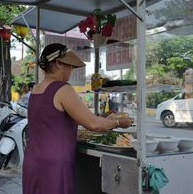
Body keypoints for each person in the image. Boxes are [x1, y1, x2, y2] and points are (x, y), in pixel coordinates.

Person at [22, 43, 133, 194]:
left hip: (33, 159)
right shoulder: (63, 88)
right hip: (54, 163)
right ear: (58, 63)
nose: (71, 71)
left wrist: (104, 117)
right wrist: (119, 122)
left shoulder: (36, 89)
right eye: (70, 66)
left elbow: (56, 120)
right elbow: (93, 124)